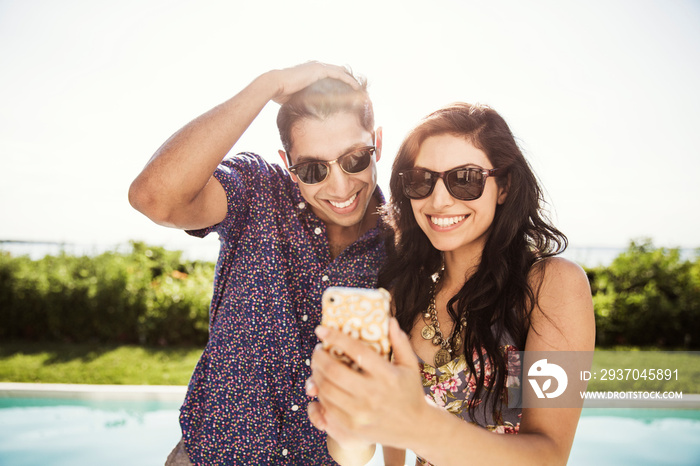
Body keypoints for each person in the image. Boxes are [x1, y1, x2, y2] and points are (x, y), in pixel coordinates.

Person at [307, 102, 596, 465]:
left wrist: (416, 423)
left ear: (503, 186)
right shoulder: (402, 296)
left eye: (465, 179)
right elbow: (372, 452)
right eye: (420, 180)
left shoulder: (552, 284)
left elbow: (550, 455)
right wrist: (347, 427)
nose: (439, 201)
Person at [128, 62, 386, 465]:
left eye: (354, 159)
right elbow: (154, 198)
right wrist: (269, 85)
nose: (340, 186)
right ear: (288, 162)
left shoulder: (404, 244)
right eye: (314, 169)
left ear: (378, 143)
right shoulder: (258, 190)